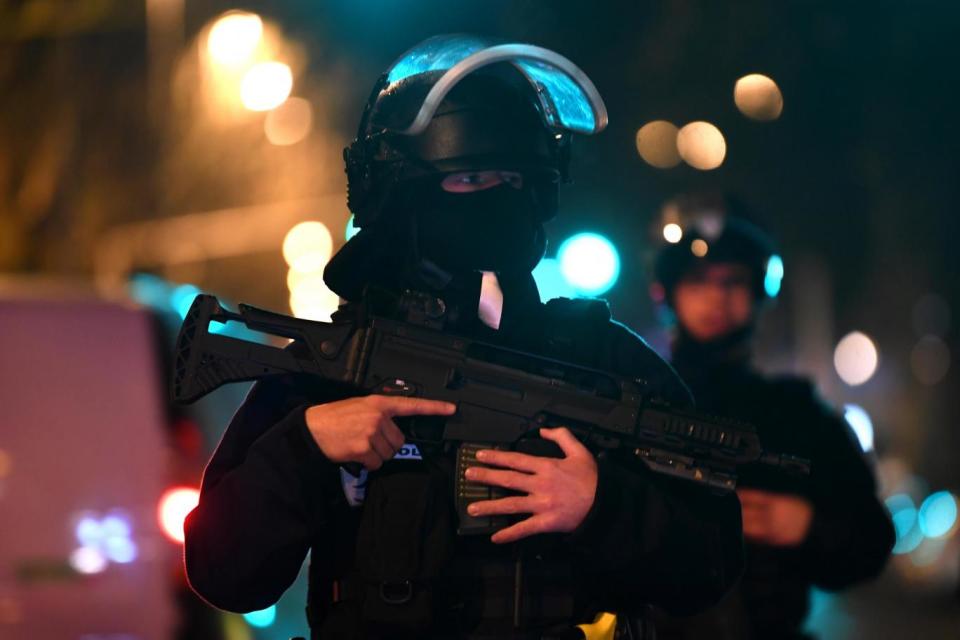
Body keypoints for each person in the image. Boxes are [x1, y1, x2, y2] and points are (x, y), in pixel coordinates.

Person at [183, 36, 744, 640]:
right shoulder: (334, 369)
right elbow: (224, 575)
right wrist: (306, 446)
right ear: (405, 192)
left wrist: (602, 505)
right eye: (471, 177)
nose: (496, 198)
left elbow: (709, 567)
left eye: (513, 178)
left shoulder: (603, 363)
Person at [648, 194, 895, 640]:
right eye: (699, 280)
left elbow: (871, 540)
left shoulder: (796, 415)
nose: (716, 297)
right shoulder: (634, 401)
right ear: (669, 292)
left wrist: (806, 525)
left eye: (734, 282)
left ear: (760, 292)